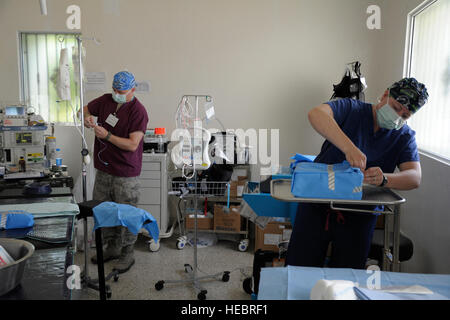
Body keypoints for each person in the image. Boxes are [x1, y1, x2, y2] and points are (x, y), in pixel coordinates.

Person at [286, 78, 428, 269]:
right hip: (319, 205)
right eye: (395, 107)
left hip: (360, 215)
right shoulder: (352, 110)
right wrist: (349, 148)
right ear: (386, 95)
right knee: (300, 268)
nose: (397, 117)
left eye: (405, 115)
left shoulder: (403, 136)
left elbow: (414, 177)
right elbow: (316, 114)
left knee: (346, 279)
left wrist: (386, 179)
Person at [82, 71, 149, 274]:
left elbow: (132, 145)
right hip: (103, 168)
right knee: (104, 210)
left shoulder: (138, 111)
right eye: (114, 90)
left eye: (121, 91)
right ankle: (111, 247)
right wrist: (87, 119)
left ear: (133, 90)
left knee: (127, 214)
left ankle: (128, 252)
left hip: (126, 173)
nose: (117, 94)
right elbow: (84, 109)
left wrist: (108, 136)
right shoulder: (105, 101)